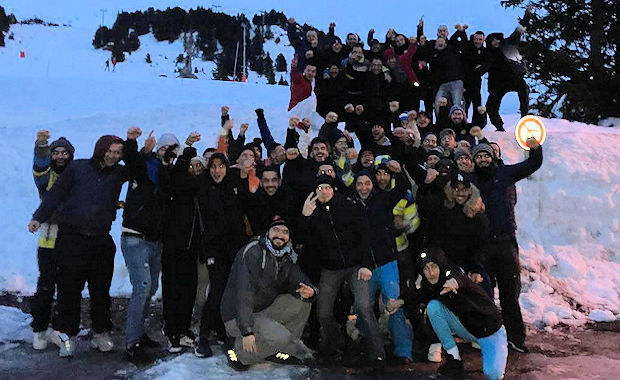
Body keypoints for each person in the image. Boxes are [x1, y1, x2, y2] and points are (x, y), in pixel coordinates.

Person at [28, 135, 127, 357]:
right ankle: (66, 336)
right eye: (110, 151)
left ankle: (101, 332)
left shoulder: (119, 173)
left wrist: (131, 143)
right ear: (100, 149)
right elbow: (55, 195)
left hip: (101, 240)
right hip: (72, 239)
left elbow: (138, 167)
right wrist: (39, 217)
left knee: (100, 290)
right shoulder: (77, 168)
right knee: (68, 289)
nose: (113, 156)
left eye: (118, 152)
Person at [296, 175, 385, 365]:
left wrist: (366, 264)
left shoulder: (349, 207)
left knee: (363, 307)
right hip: (330, 268)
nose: (324, 191)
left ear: (333, 189)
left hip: (355, 266)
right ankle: (338, 343)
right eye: (320, 188)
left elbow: (365, 236)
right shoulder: (313, 213)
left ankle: (377, 353)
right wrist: (304, 216)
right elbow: (301, 239)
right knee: (323, 312)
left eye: (327, 187)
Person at [470, 139, 542, 353]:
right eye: (479, 156)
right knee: (484, 293)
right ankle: (487, 335)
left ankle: (515, 338)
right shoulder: (470, 180)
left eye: (486, 155)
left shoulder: (506, 173)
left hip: (505, 242)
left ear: (492, 157)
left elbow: (531, 165)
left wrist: (535, 149)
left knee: (510, 293)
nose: (483, 159)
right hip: (482, 245)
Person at [220, 216, 317, 370]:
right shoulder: (254, 252)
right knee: (282, 337)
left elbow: (299, 279)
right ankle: (238, 351)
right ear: (267, 233)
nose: (280, 235)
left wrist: (311, 290)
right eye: (276, 230)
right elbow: (244, 293)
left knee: (303, 301)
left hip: (262, 310)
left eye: (285, 232)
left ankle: (277, 349)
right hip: (238, 315)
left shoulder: (285, 256)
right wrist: (246, 331)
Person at [353, 166, 414, 364]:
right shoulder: (352, 205)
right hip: (364, 266)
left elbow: (404, 186)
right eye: (360, 184)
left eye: (367, 183)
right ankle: (366, 341)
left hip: (387, 262)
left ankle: (403, 351)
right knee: (364, 306)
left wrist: (396, 171)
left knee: (394, 304)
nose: (363, 188)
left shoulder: (384, 199)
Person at [120, 128, 172, 362]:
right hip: (135, 236)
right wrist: (135, 143)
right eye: (163, 147)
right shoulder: (144, 166)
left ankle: (139, 334)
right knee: (142, 286)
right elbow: (131, 162)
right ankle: (132, 343)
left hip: (154, 239)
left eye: (171, 149)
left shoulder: (166, 174)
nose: (166, 152)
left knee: (149, 288)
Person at [418, 248, 508, 379]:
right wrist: (400, 301)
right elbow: (417, 295)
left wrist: (454, 282)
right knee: (434, 307)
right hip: (466, 328)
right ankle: (454, 358)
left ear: (441, 265)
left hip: (490, 332)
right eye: (426, 268)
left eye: (434, 266)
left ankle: (496, 349)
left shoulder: (452, 273)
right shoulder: (430, 284)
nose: (430, 273)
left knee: (493, 374)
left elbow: (460, 277)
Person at [30, 131, 75, 350]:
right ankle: (39, 330)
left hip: (70, 240)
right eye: (55, 152)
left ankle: (60, 329)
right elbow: (39, 166)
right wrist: (41, 145)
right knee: (46, 287)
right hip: (48, 242)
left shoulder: (76, 176)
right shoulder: (46, 178)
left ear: (70, 155)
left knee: (66, 287)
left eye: (64, 152)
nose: (59, 156)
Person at [484, 6, 534, 131]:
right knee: (490, 106)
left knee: (523, 88)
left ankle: (524, 116)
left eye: (495, 40)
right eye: (491, 41)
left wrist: (527, 14)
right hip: (497, 83)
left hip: (513, 76)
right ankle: (499, 127)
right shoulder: (488, 54)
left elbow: (521, 29)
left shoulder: (509, 43)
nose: (494, 42)